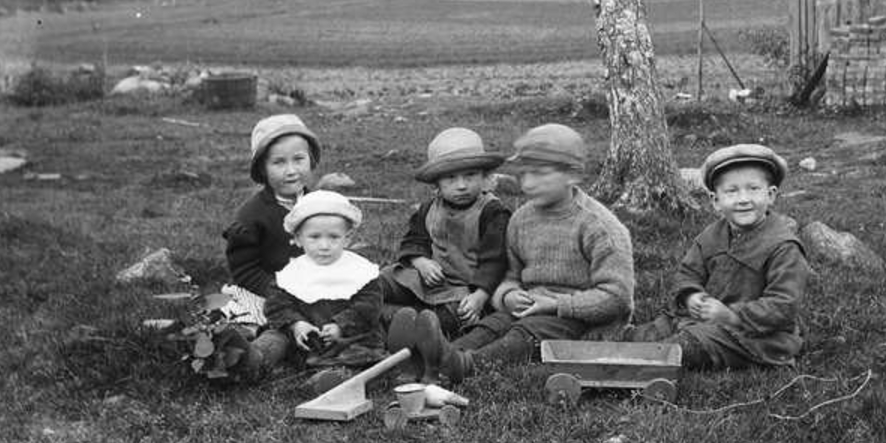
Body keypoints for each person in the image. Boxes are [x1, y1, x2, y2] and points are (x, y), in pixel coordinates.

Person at [390, 123, 634, 383]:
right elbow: (509, 274)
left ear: (572, 175)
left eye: (540, 175)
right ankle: (437, 356)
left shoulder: (598, 227)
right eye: (524, 174)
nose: (529, 183)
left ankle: (466, 364)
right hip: (532, 306)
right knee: (493, 325)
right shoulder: (521, 219)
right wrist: (508, 296)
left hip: (583, 320)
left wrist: (557, 304)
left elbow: (616, 297)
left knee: (526, 333)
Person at [623, 144, 809, 370]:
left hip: (755, 335)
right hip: (703, 319)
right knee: (649, 332)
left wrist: (731, 315)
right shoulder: (711, 236)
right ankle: (617, 351)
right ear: (715, 201)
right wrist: (691, 296)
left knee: (686, 346)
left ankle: (639, 366)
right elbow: (688, 273)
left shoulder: (783, 246)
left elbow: (783, 305)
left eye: (753, 189)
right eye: (731, 191)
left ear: (770, 195)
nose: (743, 199)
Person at [379, 128, 511, 340]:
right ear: (437, 183)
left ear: (484, 176)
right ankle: (373, 309)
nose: (461, 186)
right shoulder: (430, 208)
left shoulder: (493, 212)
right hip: (429, 280)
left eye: (470, 175)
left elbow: (496, 261)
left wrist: (480, 296)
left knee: (456, 316)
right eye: (450, 178)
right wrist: (421, 261)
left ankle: (407, 322)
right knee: (382, 280)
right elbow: (414, 239)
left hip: (467, 290)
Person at [242, 189, 385, 379]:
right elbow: (276, 306)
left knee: (358, 350)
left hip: (347, 336)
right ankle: (251, 360)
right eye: (314, 237)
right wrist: (296, 324)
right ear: (298, 238)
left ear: (347, 238)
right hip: (303, 338)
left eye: (334, 237)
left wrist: (341, 325)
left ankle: (336, 374)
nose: (324, 246)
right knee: (274, 339)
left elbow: (369, 306)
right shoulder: (293, 272)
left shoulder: (359, 270)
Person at [219, 114, 321, 332]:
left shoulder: (319, 205)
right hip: (264, 290)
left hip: (311, 287)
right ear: (262, 169)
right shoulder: (252, 215)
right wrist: (279, 292)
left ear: (311, 160)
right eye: (279, 162)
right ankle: (254, 344)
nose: (291, 170)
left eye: (299, 159)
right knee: (258, 321)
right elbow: (245, 270)